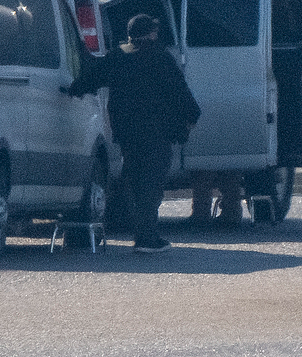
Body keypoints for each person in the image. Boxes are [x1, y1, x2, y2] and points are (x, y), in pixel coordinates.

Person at [66, 13, 201, 252]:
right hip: (156, 133)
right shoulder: (160, 57)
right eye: (154, 31)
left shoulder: (118, 57)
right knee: (151, 184)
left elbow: (90, 79)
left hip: (127, 134)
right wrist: (189, 120)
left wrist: (71, 89)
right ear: (150, 33)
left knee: (136, 183)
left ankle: (145, 234)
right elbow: (182, 95)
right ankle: (147, 238)